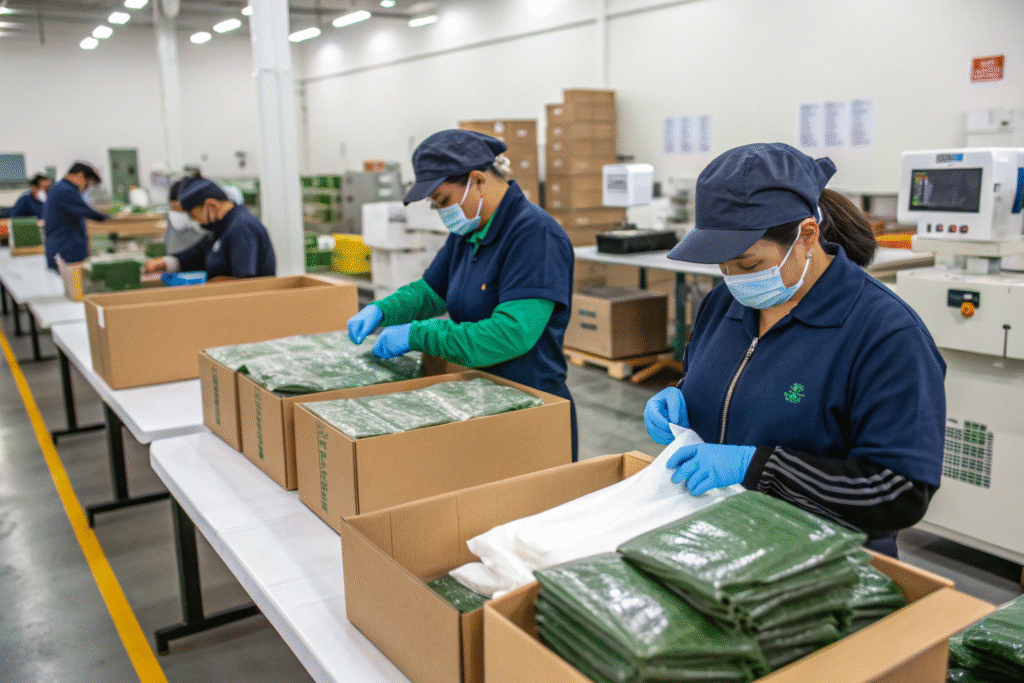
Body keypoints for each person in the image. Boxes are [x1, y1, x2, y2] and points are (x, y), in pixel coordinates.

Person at [644, 142, 945, 558]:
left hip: (817, 560)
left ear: (807, 235)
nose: (732, 278)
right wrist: (682, 398)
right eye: (721, 265)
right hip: (719, 540)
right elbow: (734, 385)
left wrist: (756, 467)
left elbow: (898, 492)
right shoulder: (723, 305)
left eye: (748, 264)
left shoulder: (886, 335)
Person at [346, 129, 579, 460]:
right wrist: (383, 310)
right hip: (481, 399)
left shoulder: (535, 236)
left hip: (531, 408)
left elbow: (510, 334)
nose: (442, 212)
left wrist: (419, 334)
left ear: (477, 180)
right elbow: (430, 291)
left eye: (443, 200)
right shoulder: (468, 232)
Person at [143, 178, 275, 280]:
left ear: (210, 205)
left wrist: (210, 284)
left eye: (194, 215)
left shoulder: (241, 228)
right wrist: (165, 263)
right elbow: (196, 256)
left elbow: (245, 281)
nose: (195, 221)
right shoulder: (220, 228)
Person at [42, 162, 108, 269]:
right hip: (66, 251)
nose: (86, 187)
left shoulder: (58, 188)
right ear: (80, 176)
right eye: (88, 183)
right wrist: (112, 219)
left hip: (61, 248)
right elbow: (87, 212)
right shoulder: (65, 190)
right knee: (73, 279)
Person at [164, 174, 207, 254]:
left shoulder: (208, 231)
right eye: (174, 209)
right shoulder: (172, 222)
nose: (178, 214)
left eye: (182, 210)